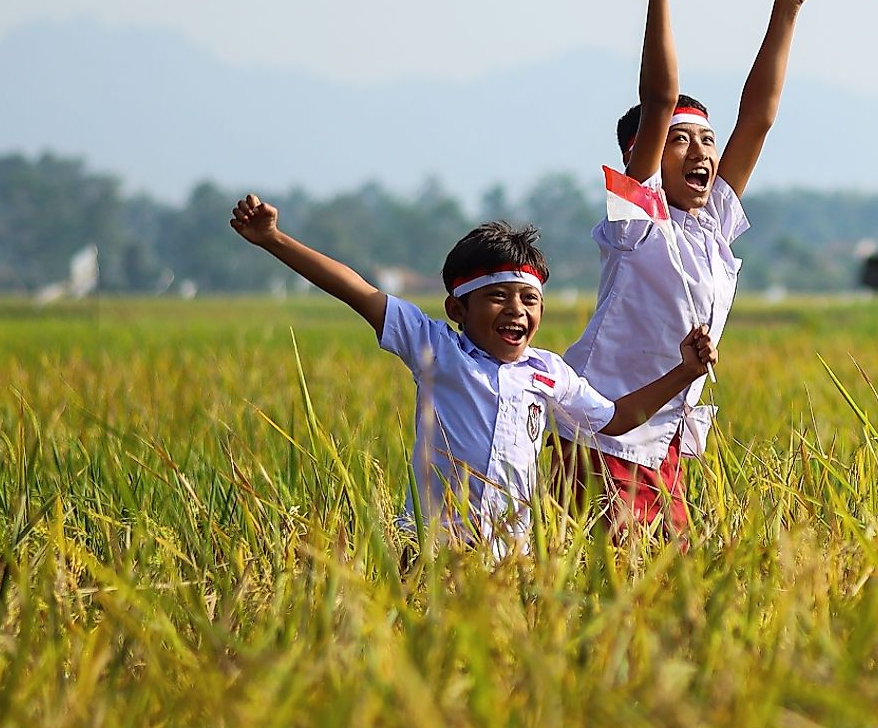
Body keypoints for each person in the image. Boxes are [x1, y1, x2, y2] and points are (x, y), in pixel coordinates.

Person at [227, 197, 713, 554]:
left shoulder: (548, 373)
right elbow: (356, 290)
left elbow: (616, 419)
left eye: (529, 300)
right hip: (432, 551)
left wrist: (684, 371)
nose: (516, 311)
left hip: (511, 558)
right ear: (457, 307)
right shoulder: (436, 349)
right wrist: (273, 239)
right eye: (498, 296)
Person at [555, 0, 830, 535]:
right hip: (605, 439)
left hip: (665, 444)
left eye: (707, 140)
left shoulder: (711, 229)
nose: (702, 152)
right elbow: (657, 99)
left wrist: (787, 6)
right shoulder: (638, 221)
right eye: (680, 142)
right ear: (640, 159)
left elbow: (756, 118)